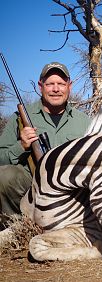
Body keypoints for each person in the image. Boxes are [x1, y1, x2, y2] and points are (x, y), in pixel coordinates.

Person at [0, 62, 91, 222]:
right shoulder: (19, 118)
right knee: (5, 176)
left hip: (73, 191)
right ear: (40, 86)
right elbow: (1, 157)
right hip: (32, 187)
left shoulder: (85, 121)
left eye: (61, 84)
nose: (56, 89)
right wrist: (21, 146)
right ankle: (18, 229)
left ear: (69, 86)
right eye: (50, 84)